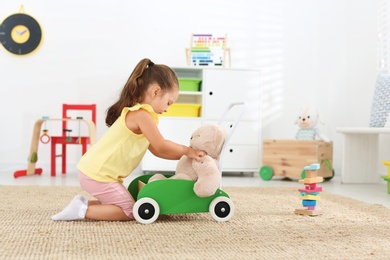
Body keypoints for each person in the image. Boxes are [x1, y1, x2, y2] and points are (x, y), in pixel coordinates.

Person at [51, 58, 205, 221]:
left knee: (124, 203)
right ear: (155, 91)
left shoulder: (140, 115)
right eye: (168, 102)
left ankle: (81, 204)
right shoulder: (142, 115)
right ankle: (82, 211)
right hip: (98, 175)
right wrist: (188, 151)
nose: (167, 109)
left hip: (94, 172)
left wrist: (187, 154)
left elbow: (157, 150)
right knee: (130, 211)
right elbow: (161, 146)